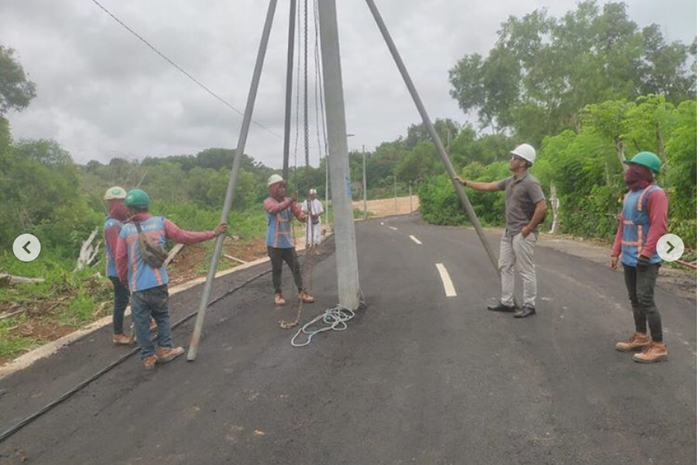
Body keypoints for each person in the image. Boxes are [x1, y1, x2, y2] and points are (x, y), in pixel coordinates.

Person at [115, 189, 227, 370]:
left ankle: (148, 357)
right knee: (162, 316)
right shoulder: (160, 223)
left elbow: (119, 257)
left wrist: (123, 279)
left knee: (141, 321)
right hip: (158, 283)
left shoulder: (125, 230)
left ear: (130, 209)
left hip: (137, 286)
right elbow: (184, 237)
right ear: (146, 205)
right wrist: (212, 233)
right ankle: (165, 349)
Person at [454, 143, 547, 318]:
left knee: (526, 270)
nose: (510, 160)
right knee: (505, 266)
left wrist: (528, 229)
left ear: (523, 162)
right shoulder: (510, 181)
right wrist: (465, 182)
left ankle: (529, 305)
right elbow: (489, 186)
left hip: (522, 233)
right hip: (508, 232)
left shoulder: (530, 182)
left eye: (514, 158)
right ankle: (507, 302)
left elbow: (541, 207)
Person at [610, 152, 668, 363]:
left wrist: (646, 253)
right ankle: (641, 337)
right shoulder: (629, 195)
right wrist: (616, 252)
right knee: (634, 298)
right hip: (628, 258)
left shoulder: (656, 194)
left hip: (646, 259)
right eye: (629, 167)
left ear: (645, 172)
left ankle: (659, 346)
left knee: (645, 300)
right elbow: (622, 226)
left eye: (634, 167)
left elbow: (658, 226)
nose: (629, 171)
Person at [264, 175, 315, 306]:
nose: (283, 189)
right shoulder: (268, 202)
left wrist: (303, 216)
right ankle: (278, 293)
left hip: (286, 242)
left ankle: (301, 291)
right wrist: (291, 200)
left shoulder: (289, 202)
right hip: (274, 243)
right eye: (280, 186)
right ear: (273, 188)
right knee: (277, 269)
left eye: (283, 186)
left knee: (296, 267)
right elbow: (275, 209)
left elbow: (298, 213)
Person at [103, 186, 132, 345]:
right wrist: (125, 271)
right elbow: (117, 253)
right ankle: (118, 334)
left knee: (132, 297)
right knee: (122, 301)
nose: (125, 207)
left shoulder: (120, 222)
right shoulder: (112, 225)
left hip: (121, 269)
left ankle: (147, 322)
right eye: (122, 203)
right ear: (114, 204)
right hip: (118, 271)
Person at [301, 188, 324, 253]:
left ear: (315, 195)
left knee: (317, 234)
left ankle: (316, 249)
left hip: (316, 220)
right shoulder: (306, 202)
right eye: (311, 195)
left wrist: (316, 214)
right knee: (308, 234)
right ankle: (308, 249)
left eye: (313, 194)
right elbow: (302, 210)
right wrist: (308, 213)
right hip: (309, 220)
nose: (312, 196)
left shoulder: (318, 202)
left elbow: (322, 211)